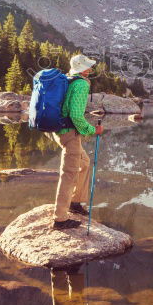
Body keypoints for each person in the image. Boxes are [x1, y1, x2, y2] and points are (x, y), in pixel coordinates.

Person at [50, 54, 104, 230]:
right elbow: (75, 115)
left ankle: (75, 201)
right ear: (81, 68)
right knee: (69, 174)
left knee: (85, 163)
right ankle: (60, 219)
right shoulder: (80, 84)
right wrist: (92, 130)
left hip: (59, 130)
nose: (91, 68)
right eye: (88, 66)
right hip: (69, 133)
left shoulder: (69, 79)